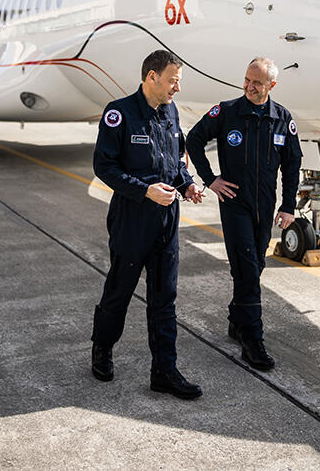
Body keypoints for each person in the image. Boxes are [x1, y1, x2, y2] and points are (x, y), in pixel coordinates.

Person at [90, 50, 205, 399]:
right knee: (120, 291)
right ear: (151, 77)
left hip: (166, 218)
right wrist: (145, 191)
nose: (177, 88)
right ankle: (102, 349)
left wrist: (186, 183)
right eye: (173, 81)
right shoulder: (119, 113)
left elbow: (175, 159)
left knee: (164, 297)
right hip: (132, 217)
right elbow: (104, 167)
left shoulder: (171, 112)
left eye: (178, 82)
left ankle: (164, 371)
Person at [185, 57, 302, 371]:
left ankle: (237, 321)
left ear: (271, 85)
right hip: (234, 202)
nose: (250, 87)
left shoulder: (282, 118)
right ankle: (252, 340)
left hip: (265, 205)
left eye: (257, 83)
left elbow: (292, 164)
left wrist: (288, 205)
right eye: (247, 80)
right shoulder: (227, 112)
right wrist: (210, 179)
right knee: (248, 269)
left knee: (255, 265)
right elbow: (194, 139)